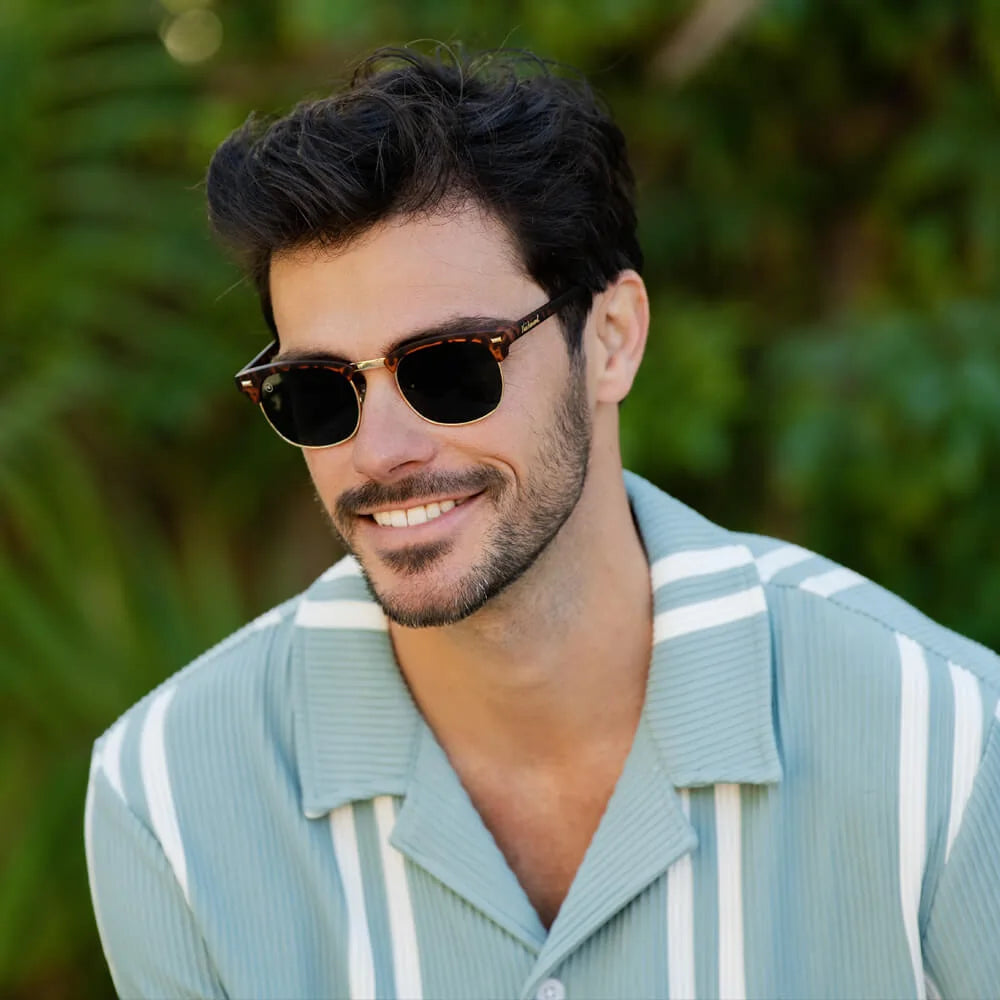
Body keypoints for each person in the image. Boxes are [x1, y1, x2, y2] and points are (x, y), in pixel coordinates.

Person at [84, 46, 1000, 1000]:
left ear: (612, 340)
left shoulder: (946, 753)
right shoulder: (171, 803)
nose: (380, 451)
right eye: (319, 390)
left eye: (449, 367)